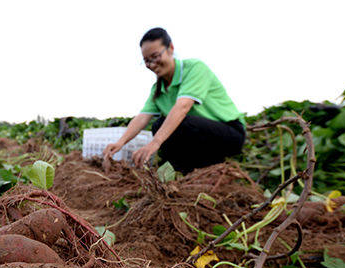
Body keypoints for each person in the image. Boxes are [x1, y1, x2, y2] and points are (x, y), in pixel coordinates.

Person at [103, 27, 246, 174]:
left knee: (181, 124)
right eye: (147, 61)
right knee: (158, 125)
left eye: (156, 56)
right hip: (199, 134)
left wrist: (155, 143)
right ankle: (177, 173)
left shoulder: (194, 68)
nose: (152, 64)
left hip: (230, 133)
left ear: (170, 48)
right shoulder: (158, 88)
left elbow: (182, 107)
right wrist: (120, 142)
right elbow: (142, 117)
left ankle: (206, 168)